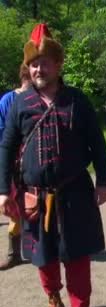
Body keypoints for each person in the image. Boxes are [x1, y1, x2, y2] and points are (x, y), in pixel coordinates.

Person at [0, 23, 106, 307]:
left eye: (44, 61)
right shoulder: (20, 104)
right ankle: (53, 300)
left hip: (75, 192)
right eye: (33, 63)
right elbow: (6, 147)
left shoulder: (77, 100)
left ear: (58, 64)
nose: (38, 68)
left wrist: (104, 179)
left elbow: (97, 142)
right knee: (44, 256)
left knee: (77, 255)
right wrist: (2, 192)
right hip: (34, 195)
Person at [0, 64, 31, 270]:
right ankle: (14, 254)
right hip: (14, 163)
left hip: (35, 162)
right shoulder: (8, 100)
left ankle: (50, 248)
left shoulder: (44, 98)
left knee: (44, 206)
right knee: (14, 208)